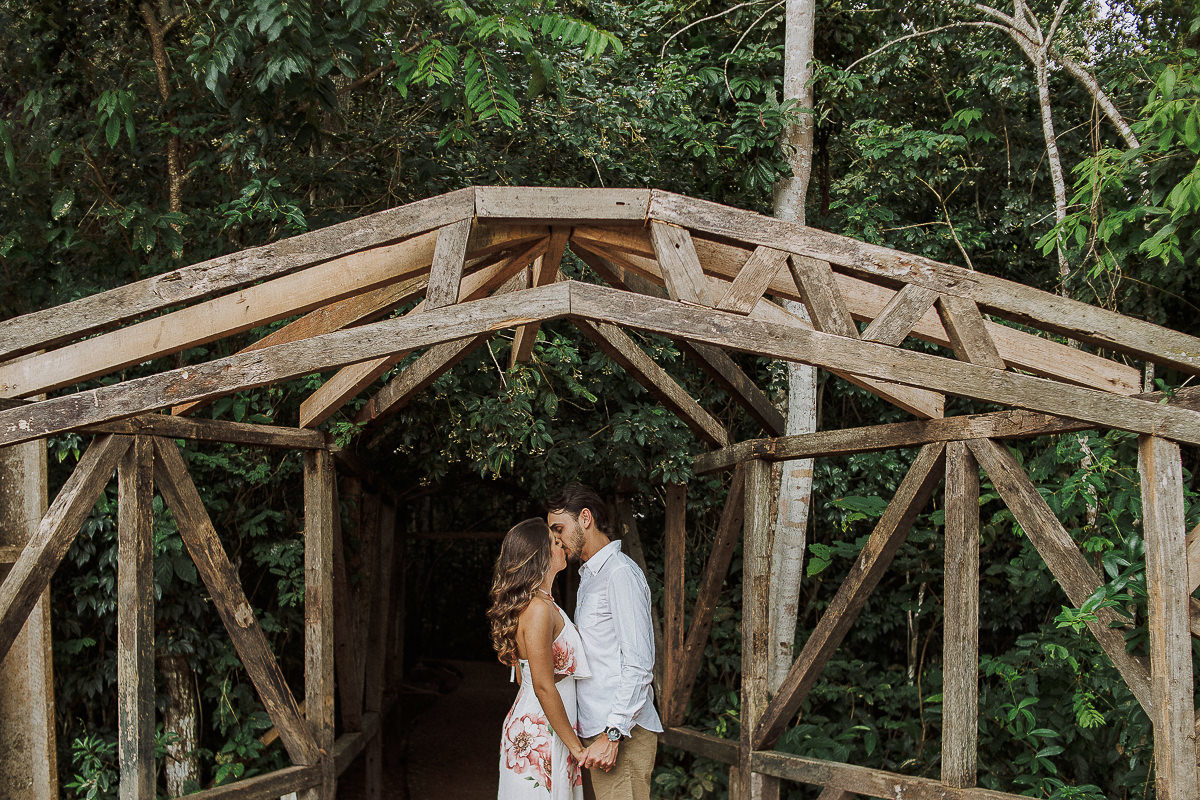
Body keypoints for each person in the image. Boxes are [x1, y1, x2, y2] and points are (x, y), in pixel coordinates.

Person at [546, 485, 662, 800]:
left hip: (622, 733)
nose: (556, 539)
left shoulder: (619, 574)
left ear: (585, 518)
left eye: (559, 529)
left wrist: (613, 734)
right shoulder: (591, 575)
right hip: (600, 730)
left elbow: (639, 664)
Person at [490, 518, 592, 799]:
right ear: (540, 556)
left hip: (553, 727)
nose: (562, 545)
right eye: (555, 542)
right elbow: (542, 685)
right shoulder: (537, 609)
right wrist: (577, 748)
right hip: (540, 733)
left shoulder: (544, 604)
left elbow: (522, 677)